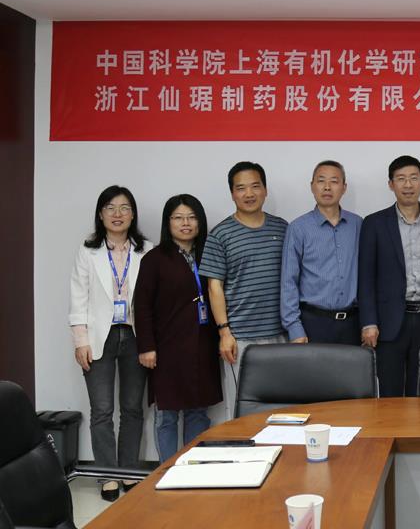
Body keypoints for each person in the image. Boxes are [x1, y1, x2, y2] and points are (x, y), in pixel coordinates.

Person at [68, 185, 147, 501]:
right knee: (101, 410)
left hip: (136, 335)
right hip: (99, 336)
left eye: (124, 207)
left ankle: (129, 471)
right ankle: (107, 475)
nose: (117, 214)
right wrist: (80, 340)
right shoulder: (88, 251)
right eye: (110, 208)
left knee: (133, 409)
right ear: (100, 214)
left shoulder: (146, 250)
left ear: (133, 214)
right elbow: (78, 297)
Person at [134, 194, 222, 462]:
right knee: (166, 415)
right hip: (166, 349)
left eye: (192, 217)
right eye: (178, 218)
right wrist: (146, 346)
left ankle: (193, 467)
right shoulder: (154, 259)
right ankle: (168, 470)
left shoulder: (209, 254)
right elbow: (142, 306)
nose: (186, 223)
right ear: (168, 222)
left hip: (202, 345)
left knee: (198, 411)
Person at [358, 155, 420, 396]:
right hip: (387, 323)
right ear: (391, 184)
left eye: (413, 178)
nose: (408, 185)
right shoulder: (374, 223)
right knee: (388, 394)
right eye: (401, 179)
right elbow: (366, 277)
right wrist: (369, 322)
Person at [199, 162, 288, 419]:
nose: (249, 194)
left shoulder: (283, 228)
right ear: (232, 193)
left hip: (281, 335)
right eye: (241, 188)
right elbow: (214, 286)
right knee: (243, 412)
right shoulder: (220, 234)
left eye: (255, 186)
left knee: (284, 410)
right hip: (241, 338)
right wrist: (224, 332)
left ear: (265, 190)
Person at [281, 160, 362, 345]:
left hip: (353, 323)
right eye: (321, 181)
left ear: (344, 187)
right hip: (313, 323)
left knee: (355, 366)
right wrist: (294, 328)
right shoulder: (298, 228)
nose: (327, 187)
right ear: (312, 186)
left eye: (334, 181)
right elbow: (288, 281)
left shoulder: (358, 224)